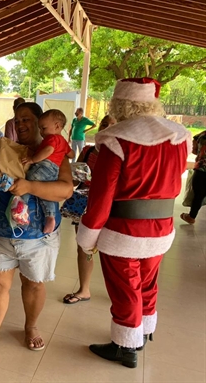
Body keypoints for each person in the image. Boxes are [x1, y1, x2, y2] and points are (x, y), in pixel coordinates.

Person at [77, 78, 190, 368]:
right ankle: (145, 329)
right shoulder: (179, 136)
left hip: (124, 231)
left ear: (119, 103)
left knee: (125, 286)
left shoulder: (115, 138)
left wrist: (87, 237)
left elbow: (102, 196)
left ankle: (125, 346)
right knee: (148, 281)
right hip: (162, 227)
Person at [0, 102, 73, 362]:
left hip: (39, 236)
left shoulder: (55, 153)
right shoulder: (6, 150)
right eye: (17, 120)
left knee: (34, 285)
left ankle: (31, 326)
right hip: (2, 232)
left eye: (27, 119)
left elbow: (65, 190)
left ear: (41, 123)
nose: (21, 124)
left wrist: (28, 186)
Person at [62, 115, 116, 305]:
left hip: (113, 207)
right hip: (85, 206)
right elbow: (75, 179)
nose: (106, 128)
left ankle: (120, 291)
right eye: (104, 124)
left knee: (113, 251)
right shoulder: (88, 150)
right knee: (84, 247)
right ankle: (84, 289)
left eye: (112, 125)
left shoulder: (125, 153)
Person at [21, 109, 74, 234]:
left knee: (28, 178)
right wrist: (63, 153)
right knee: (47, 193)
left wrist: (32, 159)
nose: (41, 132)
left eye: (43, 128)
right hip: (54, 171)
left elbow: (48, 151)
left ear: (57, 126)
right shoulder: (63, 141)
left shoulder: (52, 138)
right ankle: (50, 216)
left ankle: (23, 205)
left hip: (45, 166)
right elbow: (71, 154)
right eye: (40, 128)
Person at [180, 129, 206, 224]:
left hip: (201, 169)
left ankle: (191, 217)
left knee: (198, 195)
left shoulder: (202, 135)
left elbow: (193, 150)